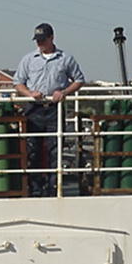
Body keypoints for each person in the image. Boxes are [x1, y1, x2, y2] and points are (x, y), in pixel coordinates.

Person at [14, 23, 85, 197]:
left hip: (54, 108)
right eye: (37, 40)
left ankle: (54, 187)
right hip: (34, 109)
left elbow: (79, 79)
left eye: (42, 40)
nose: (39, 44)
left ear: (51, 38)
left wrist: (64, 92)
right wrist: (30, 93)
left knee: (55, 149)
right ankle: (36, 188)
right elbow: (18, 82)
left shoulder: (65, 59)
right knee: (33, 149)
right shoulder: (29, 59)